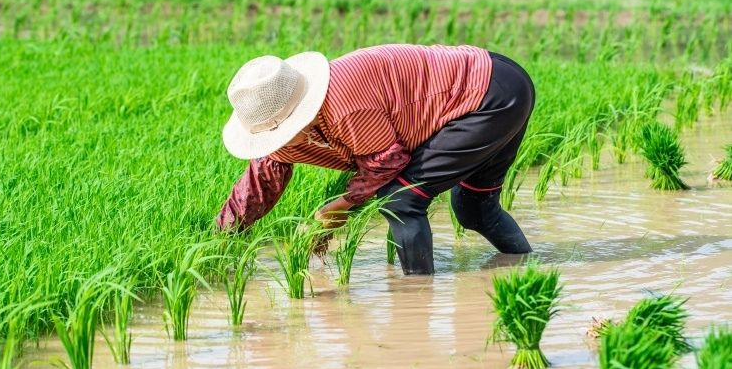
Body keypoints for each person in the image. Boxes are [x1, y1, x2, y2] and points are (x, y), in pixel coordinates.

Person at [217, 44, 535, 275]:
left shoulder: (344, 107)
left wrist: (333, 211)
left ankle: (416, 301)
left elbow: (386, 161)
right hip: (498, 84)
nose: (273, 144)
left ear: (299, 117)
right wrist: (220, 243)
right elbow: (259, 184)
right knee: (474, 209)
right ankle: (528, 271)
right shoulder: (289, 132)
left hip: (488, 96)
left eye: (278, 134)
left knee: (400, 199)